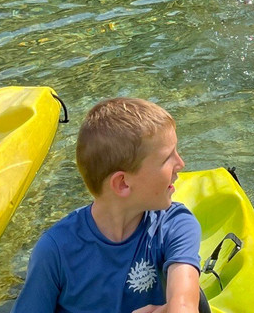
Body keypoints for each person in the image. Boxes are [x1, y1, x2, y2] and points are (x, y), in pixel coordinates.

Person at [12, 98, 202, 313]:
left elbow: (184, 306)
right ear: (123, 184)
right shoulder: (55, 251)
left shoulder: (175, 225)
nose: (181, 164)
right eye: (168, 158)